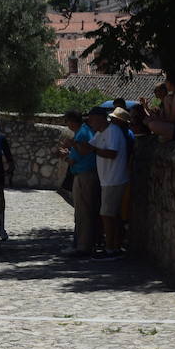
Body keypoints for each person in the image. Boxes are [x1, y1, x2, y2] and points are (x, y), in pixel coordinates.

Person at [78, 104, 129, 258]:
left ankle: (111, 249)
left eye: (91, 119)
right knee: (110, 215)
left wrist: (93, 149)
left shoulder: (112, 131)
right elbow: (87, 149)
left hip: (114, 179)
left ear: (100, 118)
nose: (90, 122)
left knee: (107, 215)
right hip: (107, 180)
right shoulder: (101, 133)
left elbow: (112, 153)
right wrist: (75, 144)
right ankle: (114, 246)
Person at [58, 109, 100, 257]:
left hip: (84, 175)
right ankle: (80, 243)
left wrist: (64, 155)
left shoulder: (81, 133)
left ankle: (83, 246)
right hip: (86, 174)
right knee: (83, 211)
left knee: (83, 212)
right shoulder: (85, 131)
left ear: (71, 121)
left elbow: (79, 155)